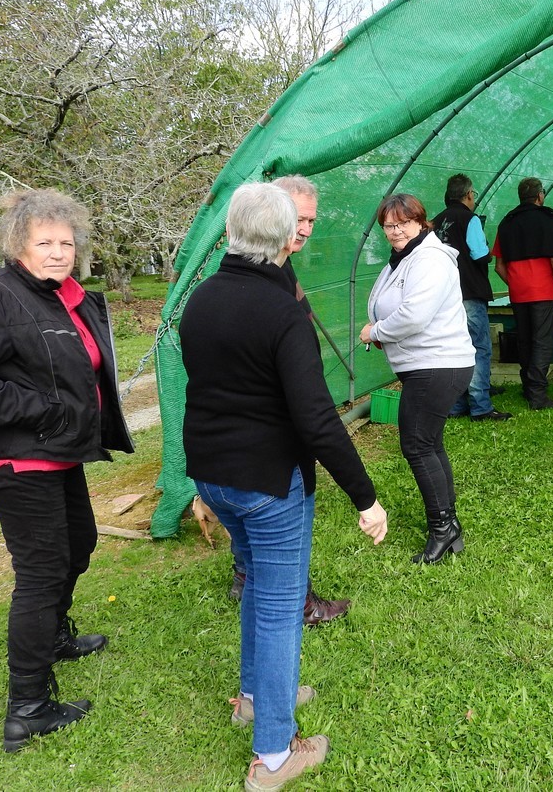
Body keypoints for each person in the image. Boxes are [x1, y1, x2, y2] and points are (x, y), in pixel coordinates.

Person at [180, 182, 388, 790]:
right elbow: (316, 417)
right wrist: (366, 498)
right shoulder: (281, 312)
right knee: (277, 610)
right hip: (268, 483)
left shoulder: (201, 299)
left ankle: (255, 693)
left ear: (229, 233)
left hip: (215, 476)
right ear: (283, 239)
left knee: (256, 589)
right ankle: (273, 754)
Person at [0, 188, 133, 753]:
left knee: (80, 544)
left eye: (66, 241)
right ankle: (28, 707)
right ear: (19, 244)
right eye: (45, 242)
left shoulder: (65, 295)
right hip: (17, 456)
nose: (58, 251)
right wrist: (37, 408)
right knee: (41, 571)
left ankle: (54, 636)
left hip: (59, 451)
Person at [226, 174, 351, 628]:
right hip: (263, 431)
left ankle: (249, 576)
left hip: (245, 435)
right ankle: (292, 601)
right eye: (297, 219)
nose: (304, 229)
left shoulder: (282, 267)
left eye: (311, 220)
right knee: (276, 520)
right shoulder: (252, 274)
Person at [361, 193, 475, 564]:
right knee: (429, 444)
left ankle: (443, 529)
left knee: (417, 446)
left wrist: (376, 331)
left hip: (437, 364)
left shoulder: (430, 258)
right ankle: (448, 523)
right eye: (388, 226)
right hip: (426, 364)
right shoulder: (404, 257)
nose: (394, 231)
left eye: (402, 224)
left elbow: (414, 315)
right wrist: (382, 330)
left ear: (420, 222)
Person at [432, 173, 511, 422]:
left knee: (454, 349)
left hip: (444, 295)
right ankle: (480, 406)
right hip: (468, 292)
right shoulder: (470, 219)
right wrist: (487, 251)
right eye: (473, 194)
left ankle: (456, 405)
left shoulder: (437, 221)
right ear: (468, 195)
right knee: (478, 347)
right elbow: (479, 254)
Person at [493, 177, 553, 409]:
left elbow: (499, 266)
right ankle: (538, 396)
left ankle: (529, 389)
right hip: (543, 292)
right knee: (542, 343)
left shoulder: (506, 223)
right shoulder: (548, 219)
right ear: (540, 196)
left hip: (518, 293)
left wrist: (516, 283)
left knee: (525, 341)